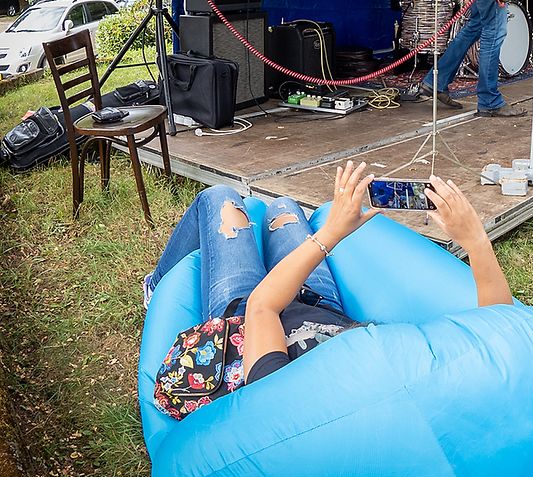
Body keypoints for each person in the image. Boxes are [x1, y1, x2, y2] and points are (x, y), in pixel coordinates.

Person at [144, 163, 513, 395]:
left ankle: (155, 287)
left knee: (219, 197)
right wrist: (475, 240)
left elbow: (262, 307)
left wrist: (332, 233)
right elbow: (499, 330)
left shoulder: (285, 393)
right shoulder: (406, 378)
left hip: (245, 316)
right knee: (284, 206)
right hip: (318, 302)